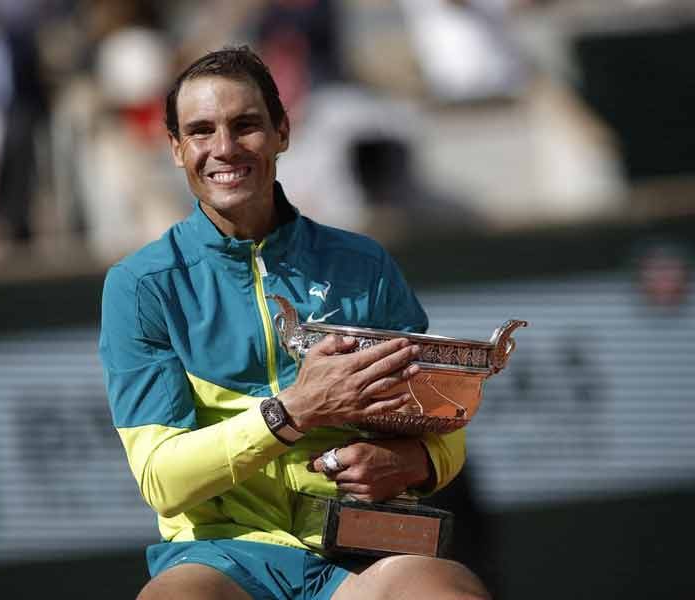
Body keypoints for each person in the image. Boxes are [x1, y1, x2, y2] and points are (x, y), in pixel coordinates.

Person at [99, 46, 489, 600]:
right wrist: (295, 411)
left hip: (362, 550)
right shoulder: (141, 286)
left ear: (283, 131)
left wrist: (410, 462)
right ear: (175, 148)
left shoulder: (363, 264)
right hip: (218, 554)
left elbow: (444, 434)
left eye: (246, 125)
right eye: (201, 131)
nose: (224, 148)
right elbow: (163, 480)